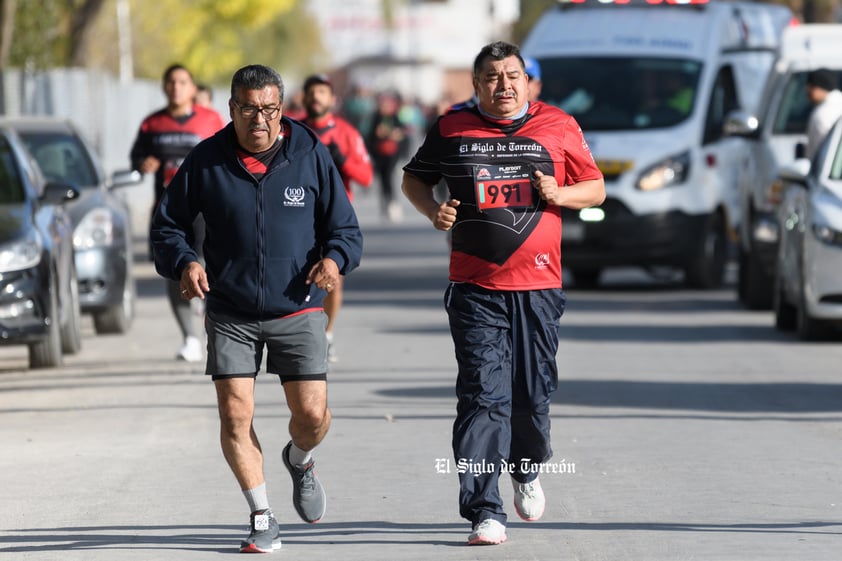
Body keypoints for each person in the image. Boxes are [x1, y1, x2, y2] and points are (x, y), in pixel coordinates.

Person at [150, 64, 363, 553]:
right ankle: (262, 515)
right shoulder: (206, 160)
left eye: (269, 109)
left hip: (299, 306)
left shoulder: (310, 153)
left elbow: (346, 230)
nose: (259, 119)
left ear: (281, 108)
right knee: (234, 415)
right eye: (248, 109)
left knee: (311, 415)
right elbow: (167, 226)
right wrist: (184, 262)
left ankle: (301, 458)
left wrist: (334, 259)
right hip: (231, 309)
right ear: (232, 109)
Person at [401, 41, 605, 546]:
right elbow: (414, 180)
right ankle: (484, 509)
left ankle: (528, 465)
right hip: (475, 287)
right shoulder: (452, 128)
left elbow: (596, 187)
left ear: (528, 81)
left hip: (538, 286)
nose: (504, 85)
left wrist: (561, 194)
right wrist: (434, 212)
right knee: (482, 396)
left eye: (512, 75)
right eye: (492, 77)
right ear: (476, 85)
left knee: (532, 397)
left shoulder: (558, 125)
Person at [130, 64, 225, 362]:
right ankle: (190, 337)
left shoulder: (212, 120)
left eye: (182, 81)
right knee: (175, 272)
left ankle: (218, 331)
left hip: (208, 210)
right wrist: (144, 163)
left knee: (214, 270)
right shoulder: (151, 124)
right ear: (164, 86)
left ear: (193, 88)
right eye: (171, 81)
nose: (176, 87)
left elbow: (229, 156)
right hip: (169, 211)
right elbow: (137, 158)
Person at [301, 73, 373, 362]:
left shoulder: (346, 133)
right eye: (311, 91)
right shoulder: (292, 130)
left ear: (332, 99)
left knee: (333, 278)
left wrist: (341, 159)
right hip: (298, 212)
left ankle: (327, 333)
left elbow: (366, 177)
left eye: (322, 91)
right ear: (304, 98)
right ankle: (302, 330)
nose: (316, 97)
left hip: (334, 216)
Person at [367, 90, 409, 222]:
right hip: (378, 153)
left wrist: (390, 133)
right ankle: (384, 204)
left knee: (389, 178)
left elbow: (402, 133)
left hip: (392, 153)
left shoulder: (395, 117)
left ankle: (393, 203)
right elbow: (371, 135)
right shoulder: (375, 117)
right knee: (382, 179)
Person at [804, 68, 842, 160]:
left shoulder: (822, 115)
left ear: (820, 87)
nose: (806, 90)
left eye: (810, 86)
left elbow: (825, 154)